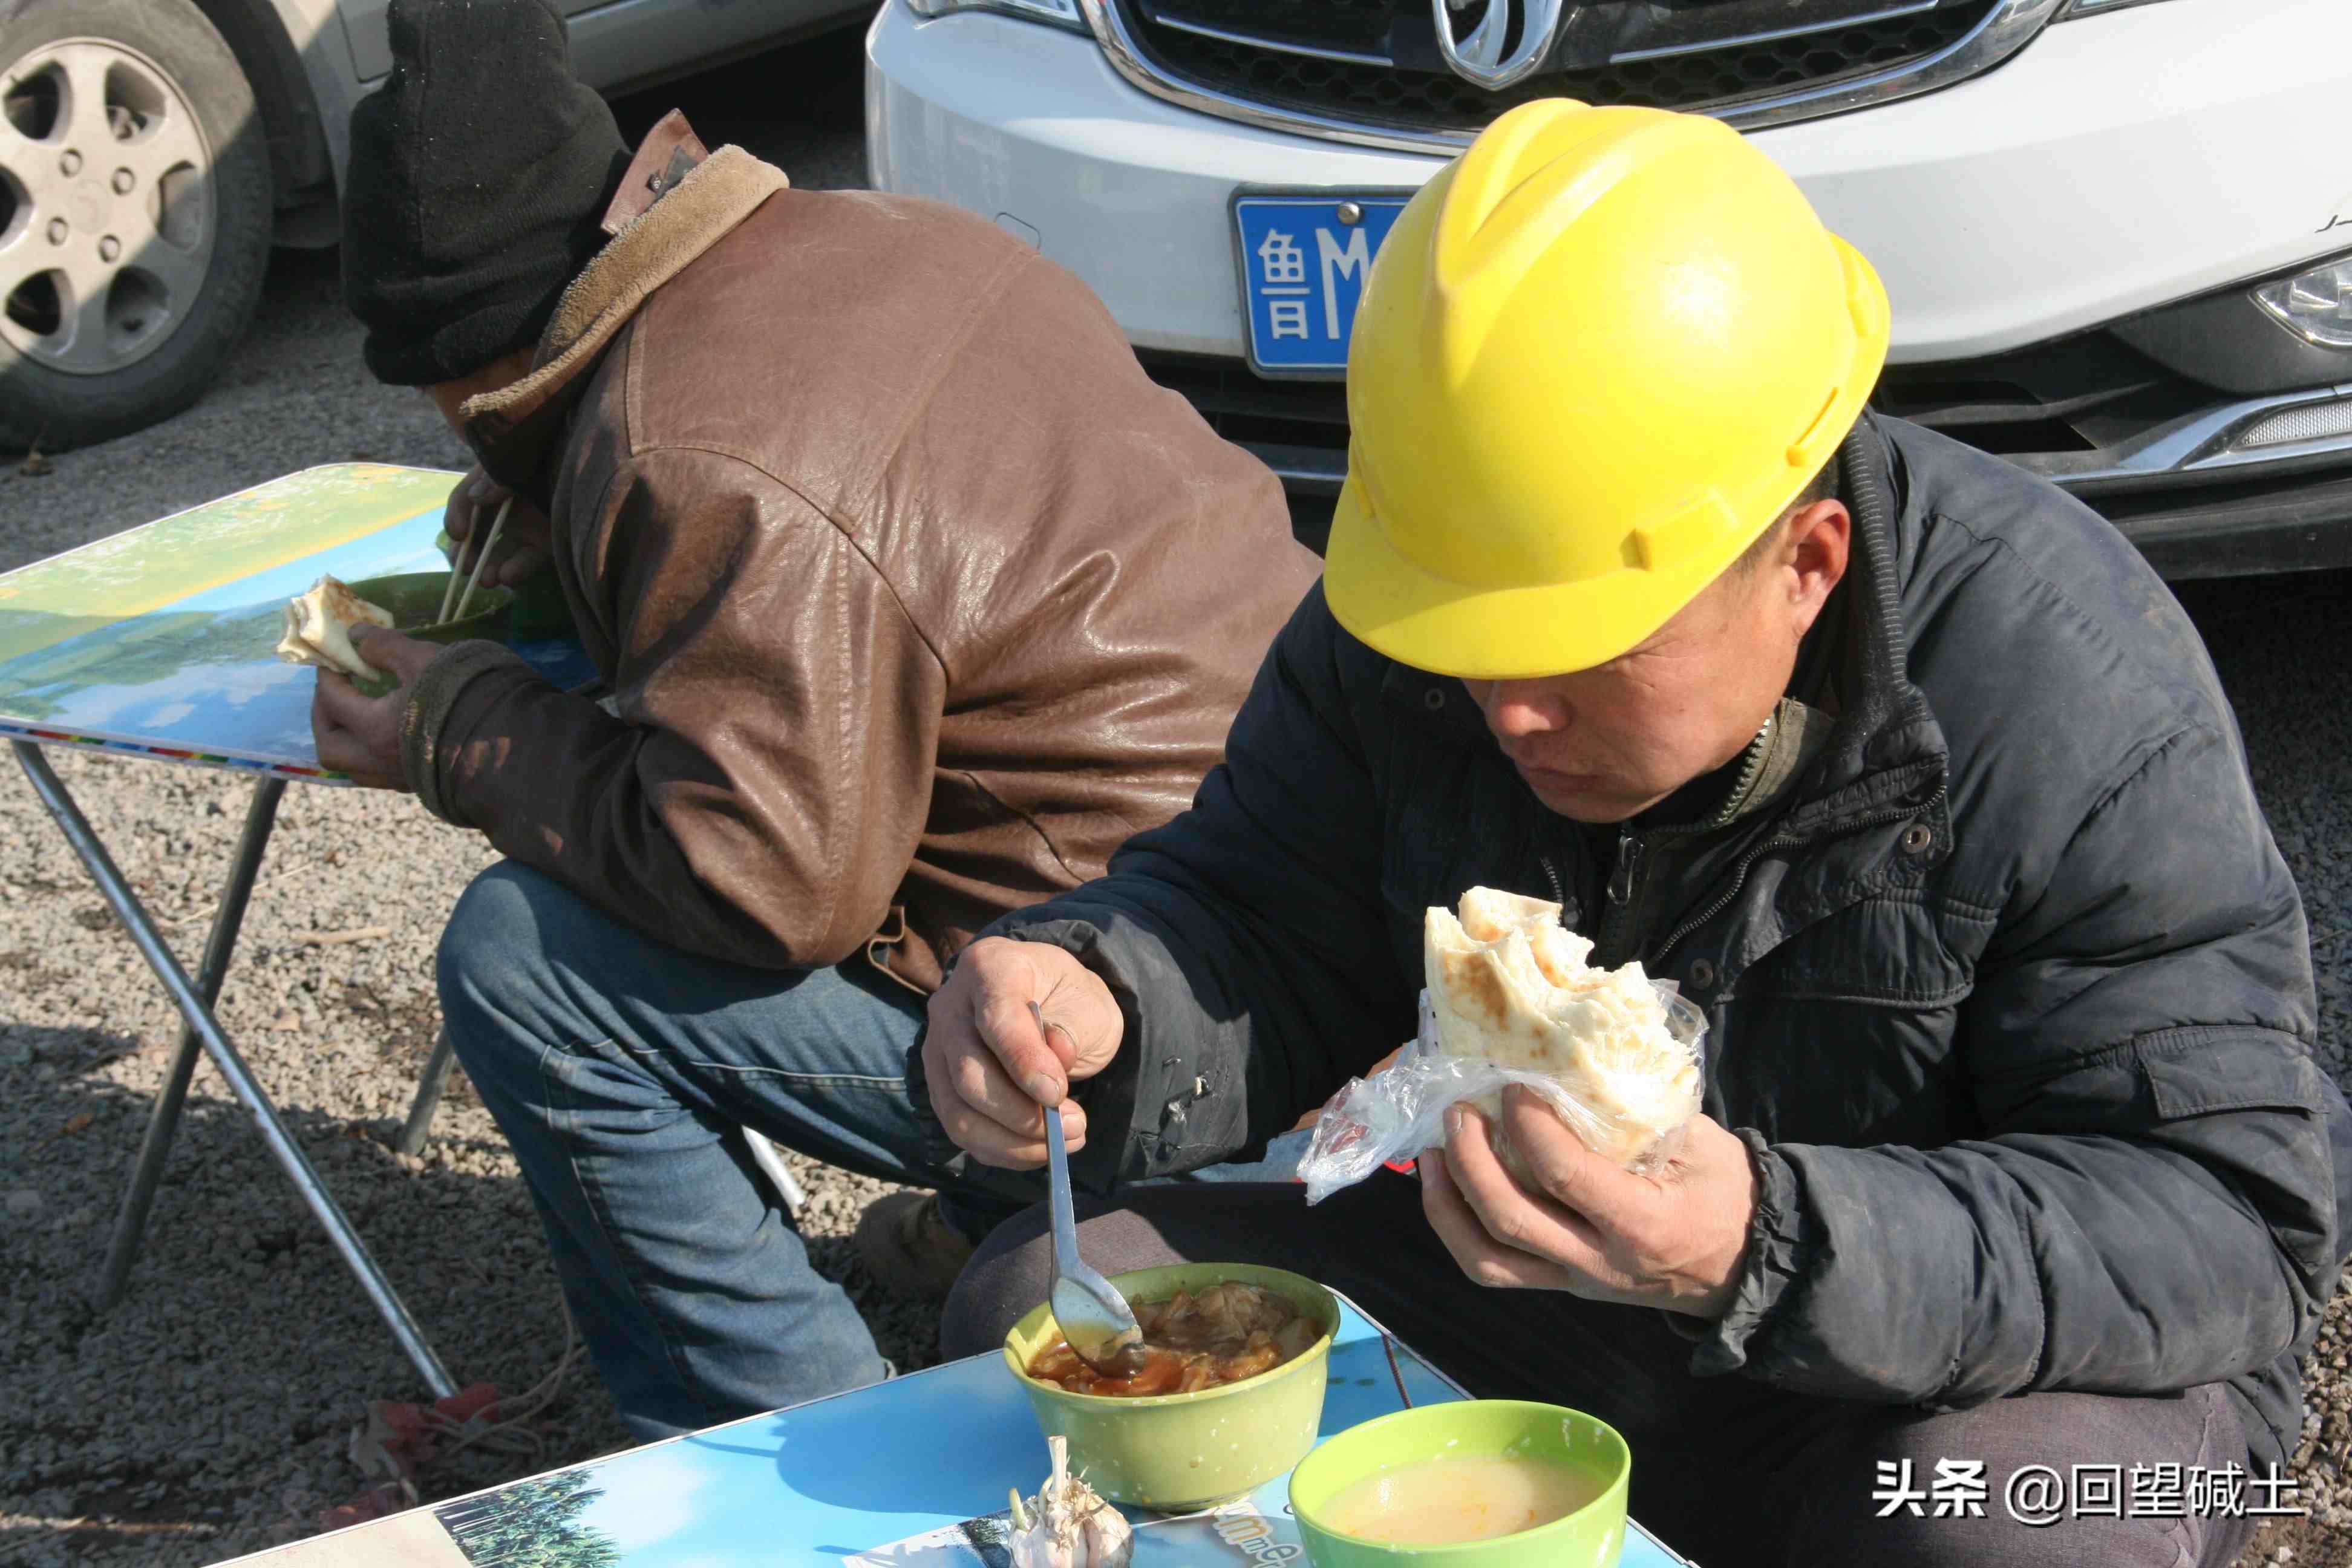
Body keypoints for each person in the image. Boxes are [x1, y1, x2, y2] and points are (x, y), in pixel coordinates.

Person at [919, 100, 2352, 1566]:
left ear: (1807, 564)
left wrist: (1767, 1240)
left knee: (2007, 1539)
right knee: (1055, 1296)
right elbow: (1261, 918)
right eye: (1472, 641)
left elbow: (2235, 1224)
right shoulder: (1432, 614)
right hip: (1557, 1289)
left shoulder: (2073, 690)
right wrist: (1105, 996)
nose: (1506, 710)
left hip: (1981, 1382)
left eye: (1580, 646)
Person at [311, 0, 1317, 1437]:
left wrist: (456, 727)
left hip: (1135, 1025)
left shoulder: (688, 458)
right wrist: (555, 503)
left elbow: (763, 877)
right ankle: (995, 1208)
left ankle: (787, 1441)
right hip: (1295, 913)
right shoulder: (870, 236)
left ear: (476, 372)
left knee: (524, 959)